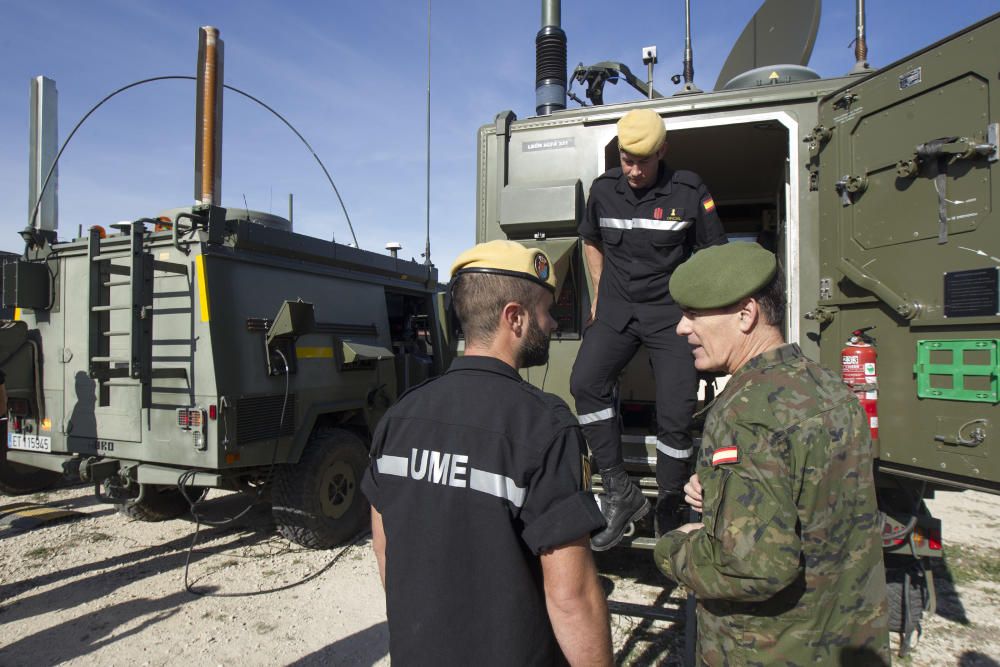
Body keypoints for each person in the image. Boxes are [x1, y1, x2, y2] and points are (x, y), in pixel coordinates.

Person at [362, 240, 613, 667]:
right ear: (514, 318)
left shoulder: (402, 415)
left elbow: (385, 549)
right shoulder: (546, 427)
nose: (552, 324)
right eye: (546, 311)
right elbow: (571, 597)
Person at [653, 242, 890, 665]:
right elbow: (813, 507)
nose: (681, 328)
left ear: (746, 314)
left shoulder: (747, 412)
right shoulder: (829, 388)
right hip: (842, 639)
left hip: (769, 648)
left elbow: (752, 568)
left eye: (693, 314)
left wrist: (675, 548)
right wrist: (724, 505)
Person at [571, 107, 727, 549]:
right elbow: (590, 239)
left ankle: (671, 501)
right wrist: (599, 291)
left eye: (642, 160)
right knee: (585, 382)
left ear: (662, 151)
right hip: (618, 309)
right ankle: (620, 490)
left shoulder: (689, 189)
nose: (634, 170)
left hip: (669, 314)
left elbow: (714, 256)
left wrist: (700, 313)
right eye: (626, 159)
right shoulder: (604, 190)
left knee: (677, 412)